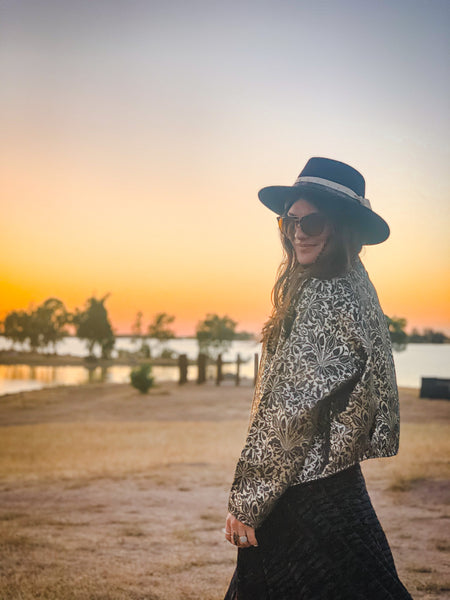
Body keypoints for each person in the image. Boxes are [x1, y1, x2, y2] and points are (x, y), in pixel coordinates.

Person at [223, 157, 412, 599]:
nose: (298, 232)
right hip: (332, 482)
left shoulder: (326, 293)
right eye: (289, 220)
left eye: (313, 221)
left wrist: (249, 500)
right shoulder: (353, 280)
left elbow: (292, 406)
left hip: (305, 490)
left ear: (342, 225)